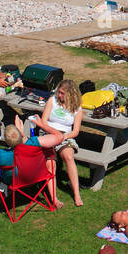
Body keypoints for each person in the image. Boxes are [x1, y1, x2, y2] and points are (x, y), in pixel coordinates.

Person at [26, 79, 84, 208]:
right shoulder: (52, 101)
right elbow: (44, 121)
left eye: (62, 93)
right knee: (51, 163)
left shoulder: (77, 109)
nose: (59, 95)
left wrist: (63, 136)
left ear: (70, 94)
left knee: (69, 156)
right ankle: (54, 198)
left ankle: (76, 194)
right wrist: (54, 134)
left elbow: (75, 131)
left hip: (65, 135)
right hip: (48, 133)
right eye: (59, 92)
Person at [0, 116, 53, 200]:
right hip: (38, 177)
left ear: (7, 142)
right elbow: (58, 137)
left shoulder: (3, 155)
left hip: (15, 182)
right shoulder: (34, 144)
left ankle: (5, 188)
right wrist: (22, 133)